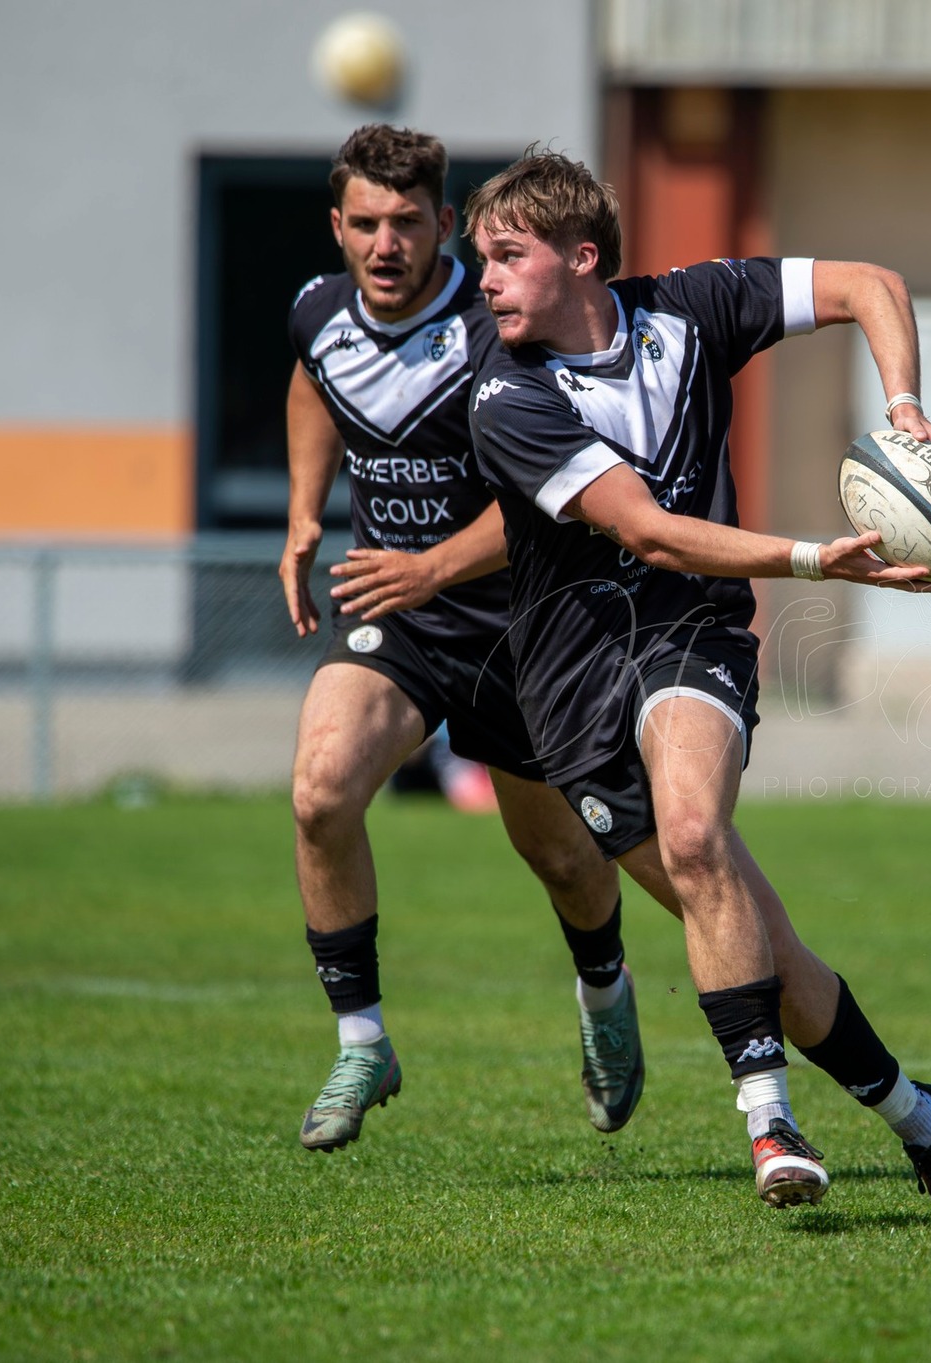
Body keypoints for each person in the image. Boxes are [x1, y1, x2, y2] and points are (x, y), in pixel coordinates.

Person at [464, 149, 931, 1220]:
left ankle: (767, 1119)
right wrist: (816, 559)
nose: (481, 280)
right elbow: (649, 529)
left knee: (695, 835)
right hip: (571, 683)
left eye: (504, 256)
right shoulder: (503, 392)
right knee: (766, 948)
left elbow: (870, 286)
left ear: (581, 259)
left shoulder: (693, 306)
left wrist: (904, 410)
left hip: (690, 633)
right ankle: (921, 1121)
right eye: (480, 258)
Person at [279, 126, 640, 1153]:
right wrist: (307, 512)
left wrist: (433, 564)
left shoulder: (498, 329)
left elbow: (549, 494)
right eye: (364, 224)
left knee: (565, 861)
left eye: (406, 223)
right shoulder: (317, 311)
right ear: (338, 227)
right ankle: (362, 1040)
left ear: (444, 224)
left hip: (518, 629)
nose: (384, 245)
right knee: (320, 789)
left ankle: (606, 993)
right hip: (396, 624)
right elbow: (311, 382)